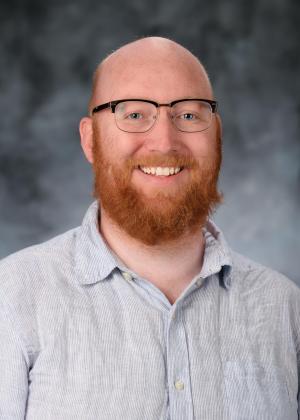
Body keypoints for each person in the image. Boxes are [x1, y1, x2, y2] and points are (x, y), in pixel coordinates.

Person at [0, 37, 299, 420]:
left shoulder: (287, 311)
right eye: (134, 115)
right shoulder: (12, 300)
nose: (164, 141)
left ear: (217, 135)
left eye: (189, 115)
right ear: (90, 140)